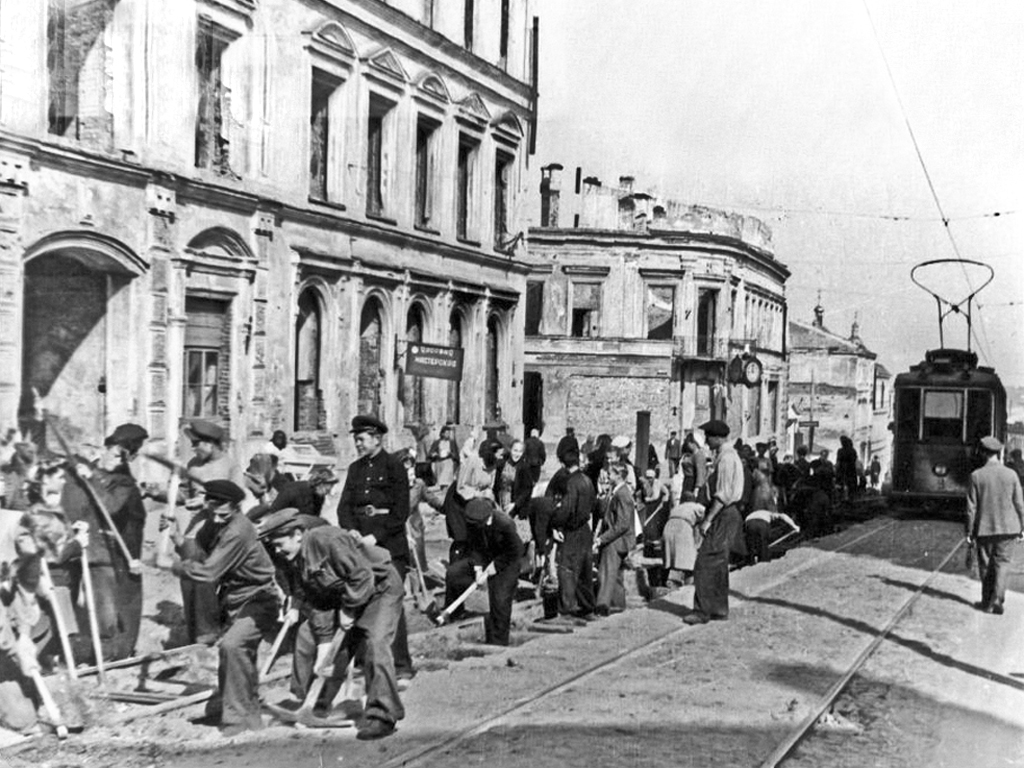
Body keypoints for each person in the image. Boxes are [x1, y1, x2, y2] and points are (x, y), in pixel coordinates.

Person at [258, 508, 404, 740]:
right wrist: (325, 642)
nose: (277, 550)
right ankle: (316, 703)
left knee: (375, 644)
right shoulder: (293, 559)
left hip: (379, 589)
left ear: (297, 534)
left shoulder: (326, 539)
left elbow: (362, 576)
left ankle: (383, 715)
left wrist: (349, 609)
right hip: (348, 595)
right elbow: (317, 601)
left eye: (279, 544)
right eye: (273, 546)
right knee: (316, 642)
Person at [166, 480, 279, 736]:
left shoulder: (238, 530)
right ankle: (251, 720)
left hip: (259, 600)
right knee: (238, 657)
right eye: (212, 508)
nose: (216, 515)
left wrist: (172, 566)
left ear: (235, 506)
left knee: (233, 646)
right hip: (235, 600)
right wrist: (177, 538)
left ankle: (236, 721)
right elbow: (200, 552)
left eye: (221, 510)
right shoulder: (217, 523)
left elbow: (208, 571)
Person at [61, 423, 149, 661]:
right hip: (72, 545)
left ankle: (110, 651)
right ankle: (65, 649)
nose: (118, 460)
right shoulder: (78, 470)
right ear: (106, 447)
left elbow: (110, 506)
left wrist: (94, 477)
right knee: (64, 597)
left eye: (125, 458)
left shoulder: (123, 482)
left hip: (105, 551)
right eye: (115, 453)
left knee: (106, 607)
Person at [336, 415, 414, 682]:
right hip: (361, 547)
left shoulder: (394, 467)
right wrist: (351, 530)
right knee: (362, 599)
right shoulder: (355, 469)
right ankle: (362, 661)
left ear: (376, 438)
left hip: (390, 546)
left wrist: (374, 535)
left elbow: (400, 512)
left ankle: (401, 665)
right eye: (355, 439)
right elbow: (344, 506)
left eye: (361, 439)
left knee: (391, 603)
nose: (357, 444)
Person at [685, 420, 746, 625]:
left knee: (704, 562)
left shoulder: (727, 458)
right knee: (719, 563)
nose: (707, 441)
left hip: (724, 514)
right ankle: (719, 608)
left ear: (717, 437)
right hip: (727, 514)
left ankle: (702, 611)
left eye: (708, 437)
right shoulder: (725, 455)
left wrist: (707, 521)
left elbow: (722, 495)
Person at [445, 498, 522, 644]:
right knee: (453, 573)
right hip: (484, 558)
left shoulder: (505, 524)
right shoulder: (473, 522)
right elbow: (475, 547)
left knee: (500, 599)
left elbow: (516, 550)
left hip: (507, 562)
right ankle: (456, 615)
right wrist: (478, 569)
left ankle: (498, 641)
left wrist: (496, 566)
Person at [965, 436, 1024, 615]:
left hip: (985, 529)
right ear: (998, 453)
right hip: (1009, 529)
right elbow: (1020, 504)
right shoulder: (1011, 474)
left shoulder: (976, 476)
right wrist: (1022, 527)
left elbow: (971, 508)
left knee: (985, 566)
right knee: (1002, 564)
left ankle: (986, 601)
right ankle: (997, 599)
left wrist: (969, 532)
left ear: (983, 453)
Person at [551, 444, 596, 620]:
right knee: (585, 569)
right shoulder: (587, 480)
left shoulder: (571, 483)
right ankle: (587, 607)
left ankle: (567, 609)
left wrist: (556, 523)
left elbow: (567, 509)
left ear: (563, 464)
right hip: (586, 528)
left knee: (567, 569)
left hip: (573, 530)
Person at [593, 463, 635, 615]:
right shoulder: (617, 491)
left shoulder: (622, 494)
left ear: (618, 475)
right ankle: (617, 604)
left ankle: (602, 606)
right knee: (616, 575)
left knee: (606, 573)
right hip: (617, 539)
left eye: (610, 474)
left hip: (615, 540)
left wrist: (602, 539)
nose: (608, 476)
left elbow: (622, 524)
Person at [264, 467, 338, 521]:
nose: (328, 492)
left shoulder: (319, 496)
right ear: (319, 484)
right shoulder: (292, 492)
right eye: (327, 489)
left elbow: (315, 517)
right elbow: (273, 514)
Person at [663, 490, 703, 587]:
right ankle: (688, 583)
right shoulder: (695, 506)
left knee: (674, 557)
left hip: (668, 527)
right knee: (689, 558)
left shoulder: (677, 507)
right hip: (682, 527)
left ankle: (673, 581)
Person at [428, 424, 459, 490]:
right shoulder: (437, 442)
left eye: (448, 433)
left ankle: (446, 487)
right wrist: (434, 454)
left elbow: (456, 454)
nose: (447, 434)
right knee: (439, 477)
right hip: (439, 461)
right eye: (446, 433)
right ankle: (441, 487)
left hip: (448, 461)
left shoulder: (452, 442)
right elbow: (431, 453)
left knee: (446, 476)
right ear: (442, 434)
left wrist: (451, 454)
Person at [836, 436, 858, 501]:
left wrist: (836, 470)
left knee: (841, 486)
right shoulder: (853, 451)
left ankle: (842, 499)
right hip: (851, 470)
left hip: (842, 470)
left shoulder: (840, 451)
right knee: (851, 486)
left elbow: (838, 462)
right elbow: (855, 460)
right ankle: (850, 499)